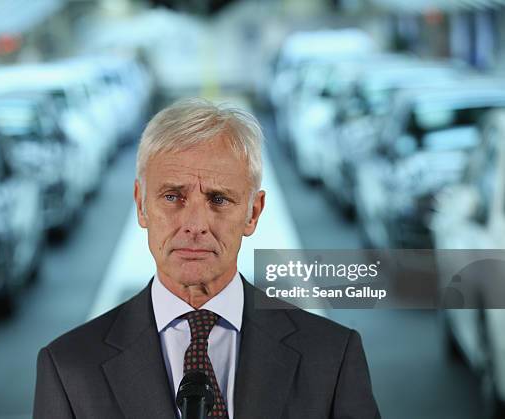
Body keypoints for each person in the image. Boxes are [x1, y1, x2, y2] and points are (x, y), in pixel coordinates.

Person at [33, 98, 381, 419]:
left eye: (218, 200)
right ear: (141, 204)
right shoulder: (68, 368)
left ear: (253, 213)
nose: (196, 225)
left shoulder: (332, 357)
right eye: (172, 197)